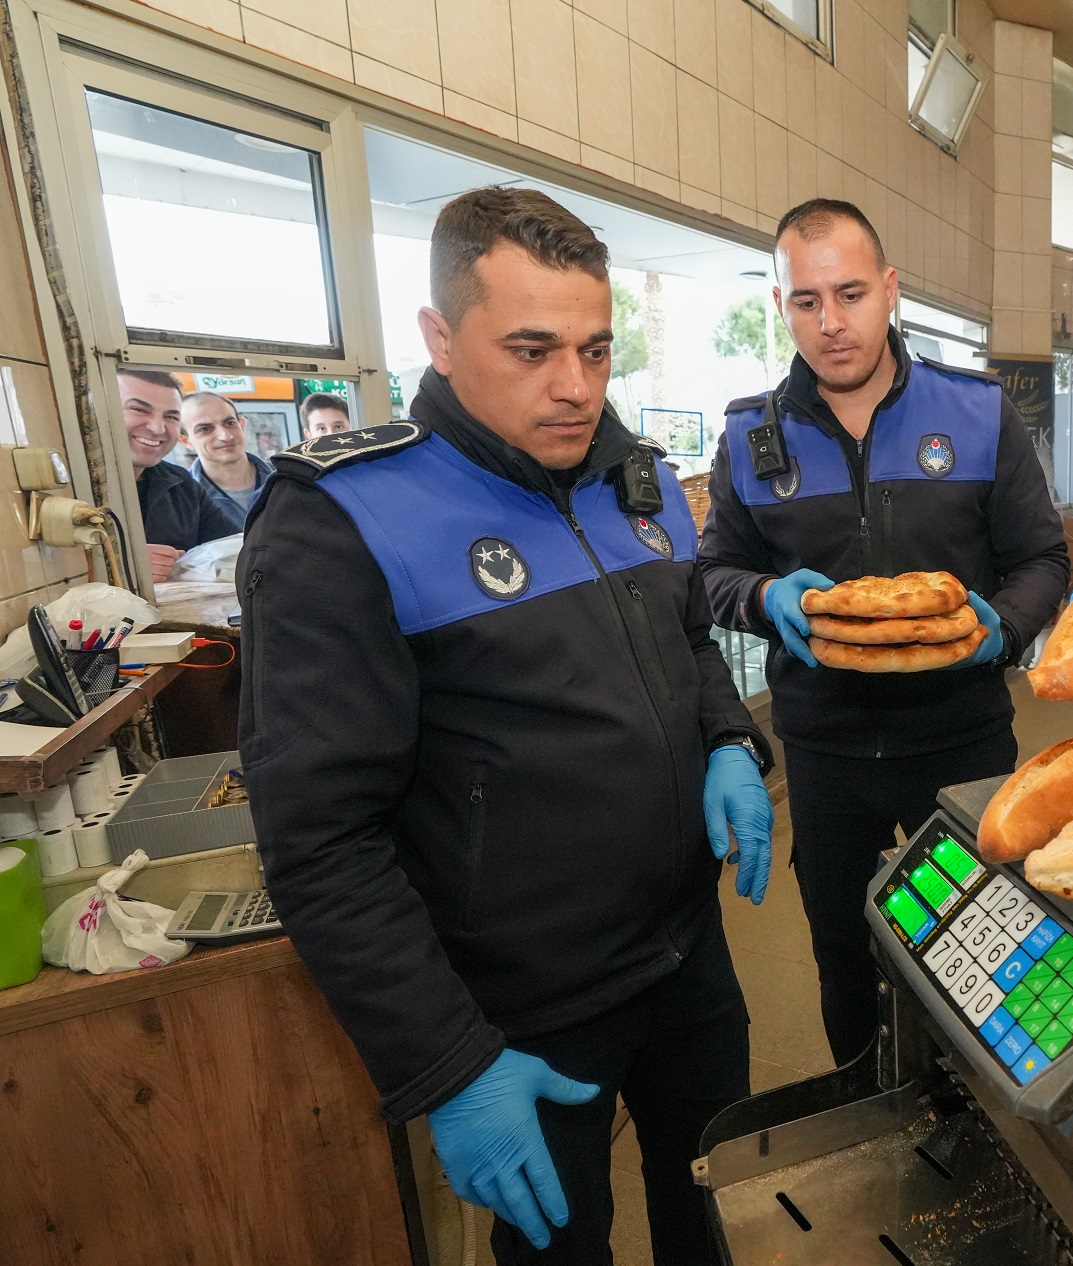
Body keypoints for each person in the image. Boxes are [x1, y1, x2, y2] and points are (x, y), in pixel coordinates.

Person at [239, 187, 774, 1265]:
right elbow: (318, 838)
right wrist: (447, 1064)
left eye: (594, 349)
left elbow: (688, 641)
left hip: (686, 955)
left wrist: (725, 737)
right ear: (438, 337)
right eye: (531, 350)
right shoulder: (347, 519)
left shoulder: (637, 480)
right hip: (520, 1012)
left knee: (710, 1208)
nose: (573, 387)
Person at [701, 199, 1069, 1066]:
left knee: (992, 950)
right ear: (781, 305)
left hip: (962, 743)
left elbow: (1043, 558)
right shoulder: (752, 434)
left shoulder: (977, 414)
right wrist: (763, 599)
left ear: (890, 290)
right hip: (824, 759)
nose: (831, 323)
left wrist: (1003, 628)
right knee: (845, 958)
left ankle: (989, 1121)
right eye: (806, 301)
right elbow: (711, 576)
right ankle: (867, 1109)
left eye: (852, 293)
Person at [117, 369, 242, 582]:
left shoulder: (181, 485)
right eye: (138, 409)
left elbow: (237, 553)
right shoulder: (68, 485)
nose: (157, 428)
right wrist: (118, 562)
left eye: (171, 417)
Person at [181, 391, 273, 522]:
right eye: (205, 429)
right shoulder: (182, 498)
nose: (226, 436)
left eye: (229, 423)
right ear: (185, 441)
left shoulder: (288, 479)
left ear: (242, 425)